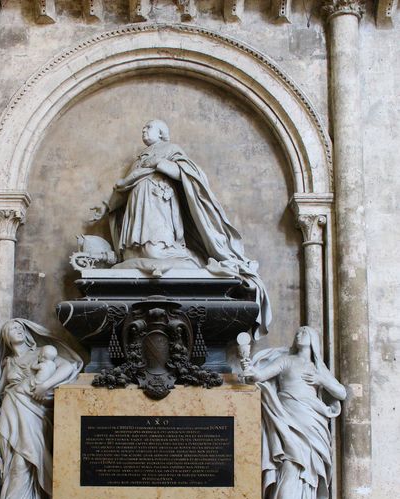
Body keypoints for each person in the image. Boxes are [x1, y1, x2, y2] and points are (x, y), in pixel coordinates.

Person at [90, 119, 271, 338]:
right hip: (138, 207)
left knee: (154, 250)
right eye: (143, 127)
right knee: (134, 253)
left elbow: (189, 177)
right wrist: (106, 206)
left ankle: (186, 256)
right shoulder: (140, 160)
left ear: (162, 133)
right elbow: (124, 187)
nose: (143, 130)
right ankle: (158, 257)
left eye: (148, 127)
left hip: (159, 203)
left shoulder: (171, 150)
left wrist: (161, 165)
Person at [0, 319, 82, 499]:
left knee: (26, 460)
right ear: (6, 338)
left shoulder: (41, 353)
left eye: (19, 328)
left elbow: (69, 366)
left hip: (33, 413)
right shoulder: (8, 362)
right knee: (11, 463)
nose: (16, 331)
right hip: (9, 413)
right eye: (10, 329)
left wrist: (45, 385)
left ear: (26, 333)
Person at [242, 326, 346, 499]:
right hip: (288, 417)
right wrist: (248, 368)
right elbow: (260, 376)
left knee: (309, 469)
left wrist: (321, 380)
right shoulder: (286, 361)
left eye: (305, 332)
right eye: (297, 332)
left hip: (312, 421)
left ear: (314, 340)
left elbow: (341, 392)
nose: (299, 333)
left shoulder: (318, 368)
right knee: (290, 464)